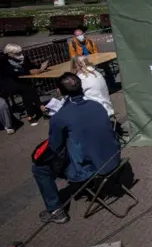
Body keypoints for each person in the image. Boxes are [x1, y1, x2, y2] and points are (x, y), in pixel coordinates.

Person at [31, 73, 121, 224]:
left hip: (91, 167)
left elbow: (55, 147)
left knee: (39, 169)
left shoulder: (60, 116)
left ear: (59, 91)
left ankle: (55, 210)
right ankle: (87, 185)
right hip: (114, 157)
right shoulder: (96, 105)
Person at [0, 44, 47, 125]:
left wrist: (40, 67)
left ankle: (31, 116)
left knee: (27, 90)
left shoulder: (23, 58)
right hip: (8, 83)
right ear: (9, 53)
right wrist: (28, 72)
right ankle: (41, 107)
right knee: (27, 89)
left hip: (22, 82)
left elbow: (31, 66)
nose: (20, 55)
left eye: (20, 52)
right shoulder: (3, 61)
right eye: (17, 53)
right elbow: (11, 72)